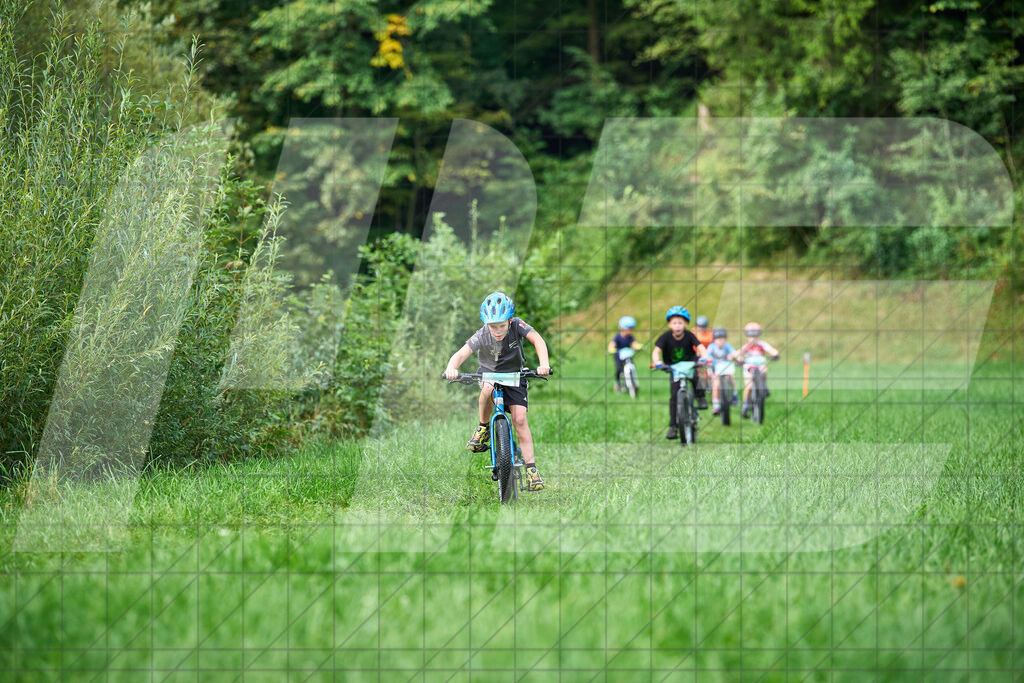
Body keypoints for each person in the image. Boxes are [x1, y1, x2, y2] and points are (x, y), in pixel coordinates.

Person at [443, 291, 551, 491]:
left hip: (515, 377)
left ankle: (531, 470)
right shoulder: (482, 334)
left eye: (502, 325)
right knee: (487, 387)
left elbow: (538, 340)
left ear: (509, 321)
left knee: (520, 419)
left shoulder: (517, 325)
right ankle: (483, 427)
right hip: (490, 376)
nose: (497, 330)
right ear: (486, 324)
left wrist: (544, 364)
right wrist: (452, 368)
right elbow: (461, 354)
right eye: (493, 326)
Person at [651, 306, 707, 439]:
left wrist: (704, 357)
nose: (677, 326)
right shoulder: (665, 337)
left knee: (696, 377)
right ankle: (673, 427)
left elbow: (700, 347)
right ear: (669, 324)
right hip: (673, 368)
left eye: (680, 323)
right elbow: (656, 351)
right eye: (674, 323)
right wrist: (657, 361)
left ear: (686, 324)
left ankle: (701, 397)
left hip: (689, 364)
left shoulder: (689, 335)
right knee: (674, 397)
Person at [737, 321, 781, 419]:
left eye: (756, 336)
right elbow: (738, 353)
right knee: (749, 386)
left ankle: (764, 387)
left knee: (764, 369)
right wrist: (740, 359)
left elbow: (771, 350)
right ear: (747, 336)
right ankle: (745, 405)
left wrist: (775, 354)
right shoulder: (747, 346)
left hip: (760, 366)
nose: (754, 338)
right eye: (751, 336)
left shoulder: (762, 344)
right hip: (749, 367)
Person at [706, 327, 740, 415]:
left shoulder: (727, 346)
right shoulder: (712, 347)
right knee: (716, 385)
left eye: (722, 339)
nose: (720, 341)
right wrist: (708, 361)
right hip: (715, 367)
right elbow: (707, 356)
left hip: (725, 367)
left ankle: (734, 394)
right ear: (714, 340)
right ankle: (716, 406)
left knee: (731, 378)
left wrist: (739, 359)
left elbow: (734, 353)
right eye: (718, 339)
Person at [607, 315, 643, 392]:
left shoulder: (630, 337)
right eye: (629, 329)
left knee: (631, 366)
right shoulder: (618, 337)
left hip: (627, 355)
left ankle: (632, 383)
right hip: (619, 356)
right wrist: (611, 349)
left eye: (631, 329)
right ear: (623, 328)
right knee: (619, 369)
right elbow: (612, 344)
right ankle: (617, 384)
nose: (630, 331)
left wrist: (637, 346)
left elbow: (634, 344)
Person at [692, 315, 714, 404]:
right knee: (698, 372)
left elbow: (713, 344)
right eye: (699, 326)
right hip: (697, 354)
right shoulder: (693, 333)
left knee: (711, 370)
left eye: (703, 326)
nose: (701, 328)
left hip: (708, 354)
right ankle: (699, 392)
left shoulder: (710, 333)